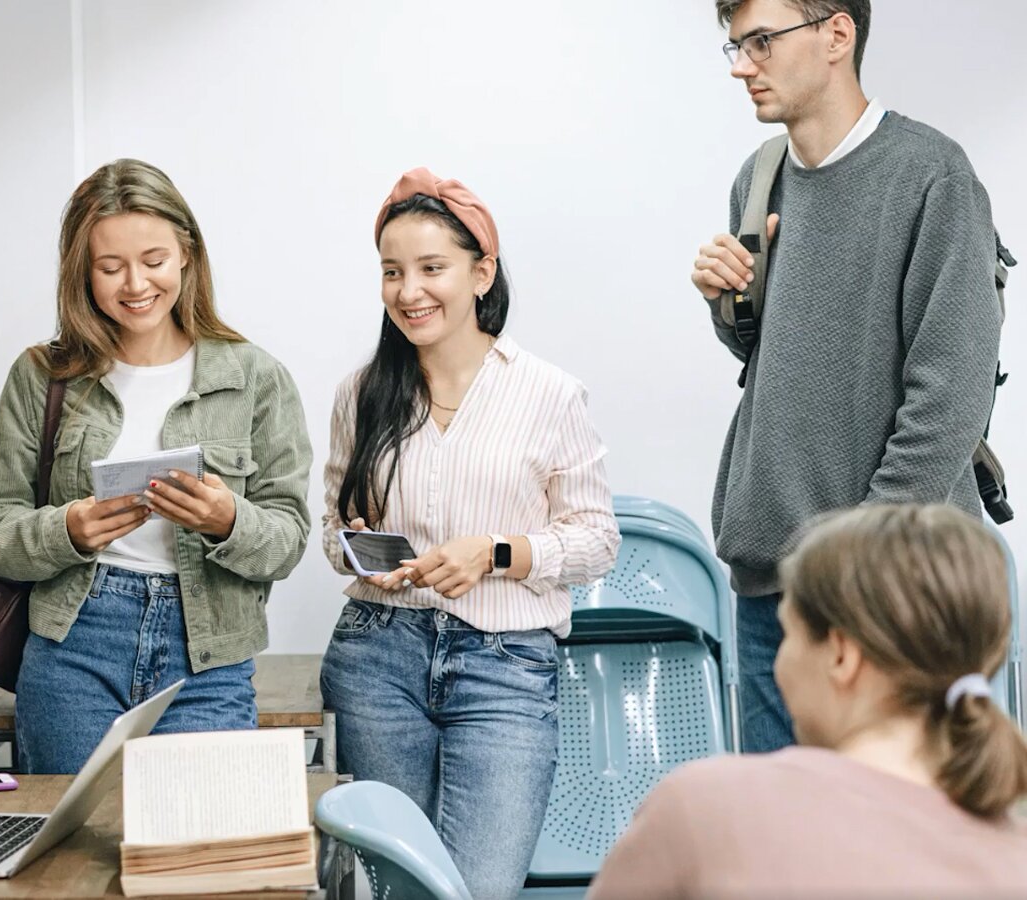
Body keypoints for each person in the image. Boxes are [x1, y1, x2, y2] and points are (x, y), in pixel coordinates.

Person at [690, 0, 1004, 752]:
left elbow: (950, 397)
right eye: (734, 45)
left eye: (761, 41)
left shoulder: (932, 175)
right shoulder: (758, 179)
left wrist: (857, 566)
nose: (741, 65)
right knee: (783, 854)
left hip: (894, 589)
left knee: (909, 855)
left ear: (837, 34)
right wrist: (724, 301)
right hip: (773, 588)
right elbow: (781, 356)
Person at [319, 167, 619, 899]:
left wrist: (496, 553)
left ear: (482, 273)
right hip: (376, 658)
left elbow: (597, 540)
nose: (407, 291)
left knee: (477, 889)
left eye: (431, 269)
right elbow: (332, 533)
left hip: (505, 668)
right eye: (392, 272)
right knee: (395, 887)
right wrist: (362, 549)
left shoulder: (549, 393)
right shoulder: (362, 393)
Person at [0, 158, 313, 775]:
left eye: (153, 260)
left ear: (186, 253)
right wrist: (68, 530)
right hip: (74, 645)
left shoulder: (255, 378)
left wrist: (228, 520)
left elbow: (288, 541)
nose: (135, 284)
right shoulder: (42, 378)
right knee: (70, 856)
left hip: (208, 654)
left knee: (197, 854)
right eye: (110, 267)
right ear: (82, 272)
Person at [590, 503, 1027, 897]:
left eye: (789, 635)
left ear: (841, 655)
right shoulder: (1014, 858)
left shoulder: (705, 809)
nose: (779, 662)